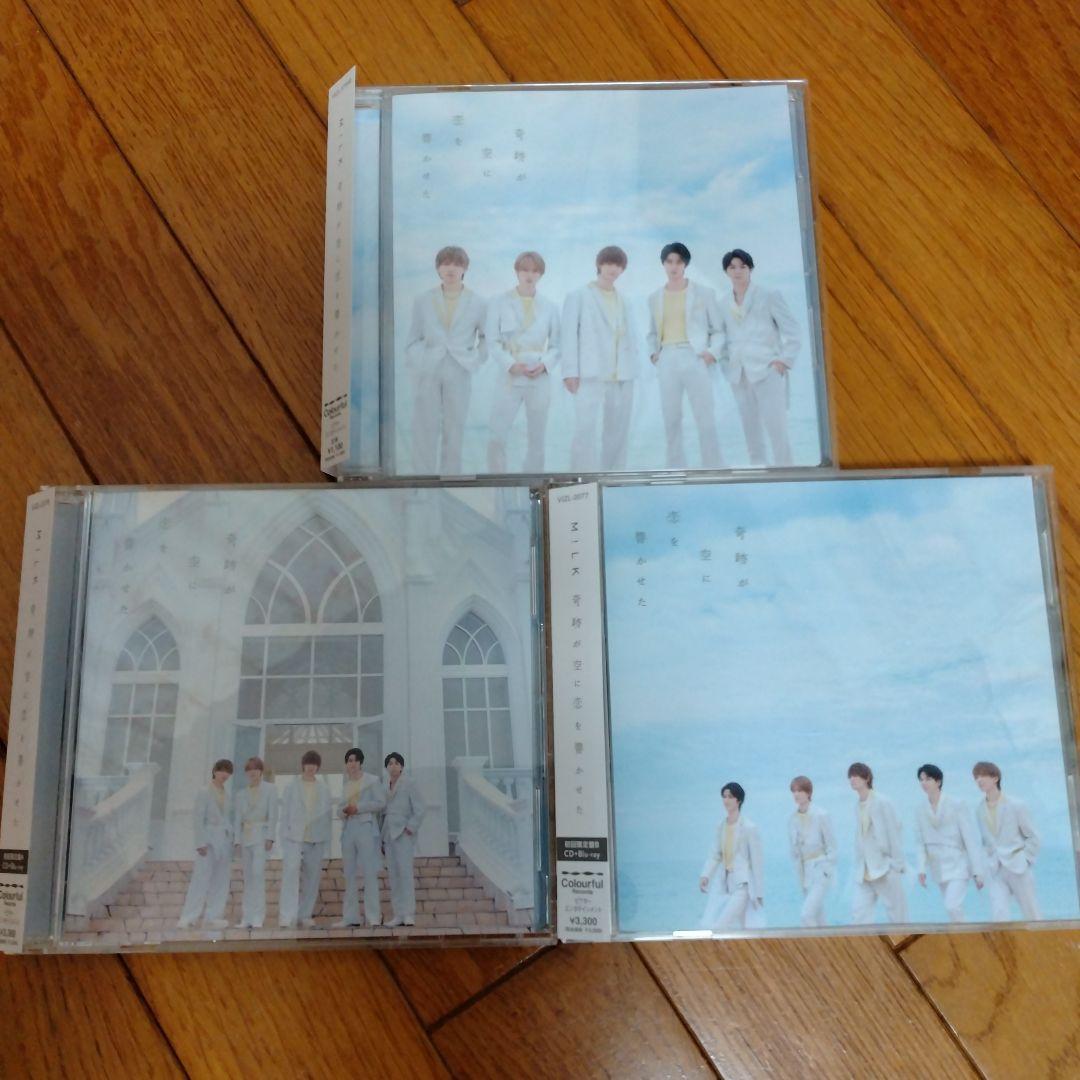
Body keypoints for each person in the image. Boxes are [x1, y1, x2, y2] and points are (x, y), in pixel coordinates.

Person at [404, 245, 487, 474]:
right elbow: (412, 340)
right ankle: (423, 478)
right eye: (446, 263)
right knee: (425, 426)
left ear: (465, 268)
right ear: (438, 268)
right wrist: (423, 360)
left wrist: (475, 359)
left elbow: (487, 338)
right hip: (429, 370)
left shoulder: (478, 302)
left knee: (455, 426)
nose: (451, 268)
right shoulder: (423, 300)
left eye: (457, 264)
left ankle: (451, 478)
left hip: (460, 369)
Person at [717, 248, 800, 466]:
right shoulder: (722, 303)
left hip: (767, 370)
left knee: (777, 430)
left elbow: (792, 331)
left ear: (750, 269)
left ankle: (787, 474)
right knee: (751, 432)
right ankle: (759, 473)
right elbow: (721, 338)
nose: (737, 271)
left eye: (742, 266)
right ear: (726, 271)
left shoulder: (768, 295)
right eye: (732, 267)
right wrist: (726, 366)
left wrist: (783, 361)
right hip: (738, 374)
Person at [645, 242, 724, 469]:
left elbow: (718, 330)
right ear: (663, 264)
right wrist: (654, 355)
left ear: (685, 264)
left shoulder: (704, 293)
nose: (674, 266)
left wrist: (711, 353)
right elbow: (652, 333)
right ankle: (675, 467)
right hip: (667, 359)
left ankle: (713, 466)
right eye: (669, 261)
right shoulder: (654, 298)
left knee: (704, 415)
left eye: (679, 262)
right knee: (671, 417)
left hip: (695, 356)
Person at [562, 245, 640, 472]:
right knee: (585, 429)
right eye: (609, 263)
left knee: (618, 432)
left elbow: (631, 337)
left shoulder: (625, 300)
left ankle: (614, 478)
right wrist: (569, 372)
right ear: (599, 264)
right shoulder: (578, 296)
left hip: (622, 374)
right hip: (590, 374)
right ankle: (581, 479)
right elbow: (568, 336)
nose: (613, 269)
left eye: (618, 265)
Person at [486, 251, 560, 473]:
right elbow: (492, 341)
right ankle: (498, 484)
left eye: (535, 271)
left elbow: (557, 345)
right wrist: (510, 364)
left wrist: (544, 365)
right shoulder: (498, 302)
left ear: (541, 275)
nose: (530, 275)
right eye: (525, 270)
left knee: (537, 437)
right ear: (517, 272)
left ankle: (534, 484)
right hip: (509, 377)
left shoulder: (550, 306)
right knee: (498, 433)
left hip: (539, 377)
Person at [913, 763, 984, 923]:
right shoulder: (920, 809)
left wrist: (977, 871)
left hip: (958, 865)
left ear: (938, 781)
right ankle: (965, 933)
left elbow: (970, 839)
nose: (924, 783)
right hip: (938, 867)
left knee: (952, 906)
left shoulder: (956, 804)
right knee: (953, 910)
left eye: (928, 779)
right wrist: (921, 869)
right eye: (921, 779)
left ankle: (968, 933)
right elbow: (920, 842)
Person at [972, 761, 1041, 920]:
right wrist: (980, 871)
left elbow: (1033, 836)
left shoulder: (1016, 805)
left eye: (982, 775)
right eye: (976, 777)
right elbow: (984, 842)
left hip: (1018, 867)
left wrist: (1026, 859)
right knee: (999, 914)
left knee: (1031, 913)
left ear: (995, 778)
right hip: (995, 869)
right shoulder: (979, 809)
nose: (979, 780)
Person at [848, 762, 908, 924]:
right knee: (859, 915)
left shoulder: (882, 802)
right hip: (864, 871)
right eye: (850, 776)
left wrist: (896, 864)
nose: (852, 779)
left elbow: (894, 831)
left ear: (867, 778)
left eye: (856, 775)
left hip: (885, 868)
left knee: (898, 917)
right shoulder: (857, 806)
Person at [177, 759, 234, 930]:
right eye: (222, 770)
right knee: (200, 879)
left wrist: (231, 838)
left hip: (224, 841)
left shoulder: (227, 794)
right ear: (215, 771)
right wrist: (200, 842)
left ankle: (213, 916)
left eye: (228, 772)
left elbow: (226, 819)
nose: (224, 775)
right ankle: (189, 917)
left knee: (220, 880)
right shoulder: (204, 791)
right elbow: (198, 818)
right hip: (208, 840)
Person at [699, 781, 765, 929]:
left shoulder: (749, 827)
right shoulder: (721, 826)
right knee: (745, 927)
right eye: (724, 796)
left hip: (743, 886)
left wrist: (759, 893)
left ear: (738, 800)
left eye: (730, 797)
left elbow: (757, 862)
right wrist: (706, 875)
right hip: (726, 884)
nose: (726, 800)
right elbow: (715, 854)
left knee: (721, 925)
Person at [334, 747, 387, 928]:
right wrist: (344, 811)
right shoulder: (346, 785)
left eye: (355, 760)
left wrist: (358, 808)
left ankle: (373, 916)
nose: (352, 764)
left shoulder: (372, 780)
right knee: (349, 874)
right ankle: (351, 917)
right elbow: (338, 810)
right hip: (348, 829)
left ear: (361, 762)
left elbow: (380, 803)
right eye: (349, 761)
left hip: (366, 828)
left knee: (369, 873)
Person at [278, 750, 332, 929]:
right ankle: (287, 916)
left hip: (316, 839)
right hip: (294, 838)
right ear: (303, 765)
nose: (311, 767)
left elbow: (327, 817)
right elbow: (285, 814)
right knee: (290, 876)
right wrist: (284, 838)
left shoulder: (324, 789)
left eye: (314, 764)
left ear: (318, 767)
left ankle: (305, 915)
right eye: (308, 763)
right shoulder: (291, 787)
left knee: (312, 878)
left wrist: (326, 841)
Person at [380, 752, 426, 928]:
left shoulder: (409, 783)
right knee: (394, 875)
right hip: (388, 835)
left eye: (396, 763)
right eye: (390, 763)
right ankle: (398, 914)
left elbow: (420, 808)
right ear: (387, 767)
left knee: (405, 874)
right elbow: (381, 813)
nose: (393, 766)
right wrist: (381, 839)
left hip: (403, 833)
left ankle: (408, 914)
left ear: (401, 766)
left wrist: (410, 828)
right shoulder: (384, 786)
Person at [232, 755, 278, 929]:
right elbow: (237, 819)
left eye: (256, 769)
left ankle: (258, 917)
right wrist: (237, 840)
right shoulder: (241, 794)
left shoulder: (270, 789)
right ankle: (247, 917)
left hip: (261, 837)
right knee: (248, 878)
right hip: (246, 838)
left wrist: (270, 837)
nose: (253, 773)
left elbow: (273, 815)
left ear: (261, 771)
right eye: (249, 770)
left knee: (258, 875)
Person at [787, 775, 837, 928]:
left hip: (821, 871)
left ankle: (813, 941)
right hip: (805, 874)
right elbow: (794, 850)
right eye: (794, 791)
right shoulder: (792, 819)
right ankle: (828, 941)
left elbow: (832, 846)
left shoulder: (821, 814)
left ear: (808, 792)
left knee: (806, 915)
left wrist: (827, 869)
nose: (796, 794)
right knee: (819, 919)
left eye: (800, 790)